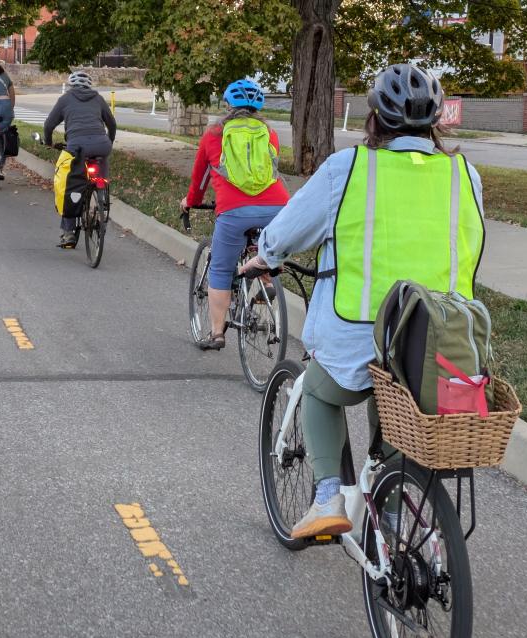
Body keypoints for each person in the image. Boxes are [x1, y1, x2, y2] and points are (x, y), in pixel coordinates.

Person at [240, 64, 485, 538]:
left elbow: (287, 231)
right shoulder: (465, 175)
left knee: (316, 389)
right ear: (434, 124)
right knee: (397, 404)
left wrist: (264, 256)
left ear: (374, 119)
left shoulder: (348, 168)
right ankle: (391, 518)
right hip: (438, 341)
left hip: (359, 333)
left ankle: (327, 495)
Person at [180, 79, 289, 350]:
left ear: (227, 105)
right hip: (278, 208)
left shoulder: (214, 134)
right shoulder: (270, 133)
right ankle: (267, 284)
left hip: (234, 210)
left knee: (220, 268)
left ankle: (217, 333)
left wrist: (190, 202)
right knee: (267, 254)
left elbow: (200, 179)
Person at [43, 71, 117, 248]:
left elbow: (49, 124)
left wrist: (48, 142)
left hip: (77, 147)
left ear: (71, 85)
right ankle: (101, 204)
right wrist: (109, 142)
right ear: (89, 86)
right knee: (100, 171)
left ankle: (68, 232)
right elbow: (112, 124)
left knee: (70, 184)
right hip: (101, 144)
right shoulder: (98, 98)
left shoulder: (65, 99)